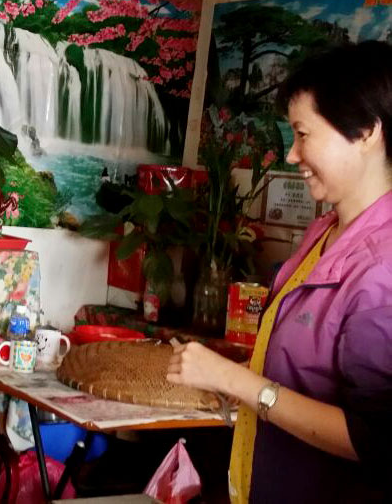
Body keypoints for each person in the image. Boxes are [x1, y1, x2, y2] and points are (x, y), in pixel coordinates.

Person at [168, 41, 392, 503]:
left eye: (303, 134)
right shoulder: (324, 232)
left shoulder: (382, 268)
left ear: (367, 131)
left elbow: (376, 440)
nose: (292, 154)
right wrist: (226, 377)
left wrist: (238, 382)